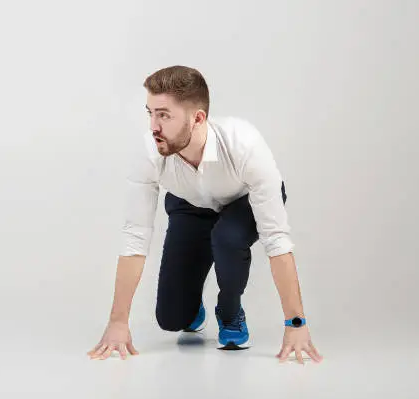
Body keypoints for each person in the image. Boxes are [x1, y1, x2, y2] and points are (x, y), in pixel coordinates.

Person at [87, 65, 322, 364]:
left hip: (243, 203)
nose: (153, 127)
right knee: (172, 319)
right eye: (151, 113)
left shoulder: (243, 144)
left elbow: (276, 240)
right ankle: (192, 300)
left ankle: (229, 309)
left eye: (164, 115)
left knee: (227, 237)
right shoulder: (151, 150)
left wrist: (295, 323)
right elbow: (135, 236)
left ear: (198, 118)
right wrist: (118, 323)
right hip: (191, 206)